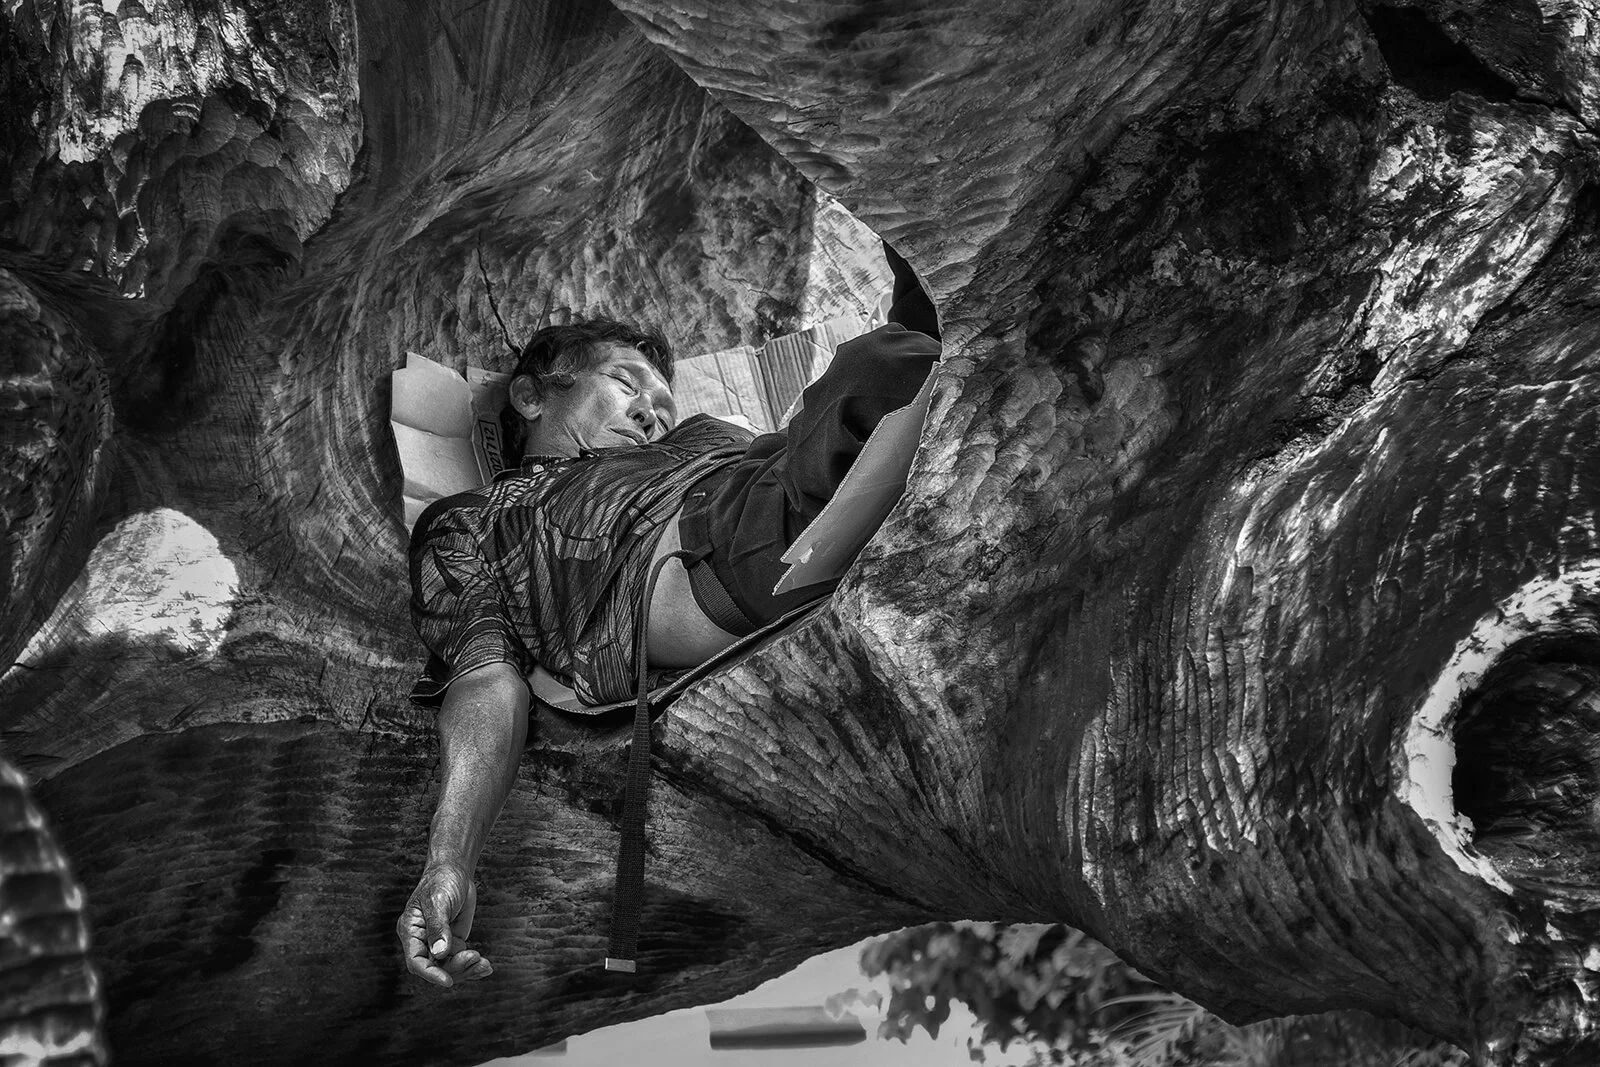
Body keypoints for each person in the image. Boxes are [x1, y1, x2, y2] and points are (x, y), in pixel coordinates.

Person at [396, 246, 942, 986]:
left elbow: (778, 444)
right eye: (626, 383)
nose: (652, 408)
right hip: (706, 546)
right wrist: (450, 857)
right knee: (889, 360)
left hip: (766, 465)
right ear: (529, 396)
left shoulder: (702, 433)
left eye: (661, 398)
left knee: (940, 311)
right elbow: (486, 680)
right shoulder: (475, 520)